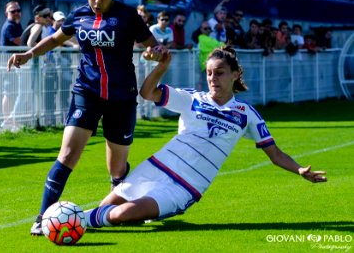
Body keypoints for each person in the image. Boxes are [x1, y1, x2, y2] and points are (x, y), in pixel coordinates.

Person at [84, 45, 327, 228]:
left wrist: (299, 170)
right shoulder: (192, 99)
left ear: (235, 74)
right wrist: (162, 66)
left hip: (184, 187)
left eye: (220, 73)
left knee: (119, 215)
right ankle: (66, 220)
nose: (213, 78)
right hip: (156, 168)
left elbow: (274, 154)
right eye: (209, 73)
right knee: (105, 209)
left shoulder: (247, 115)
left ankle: (71, 220)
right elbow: (147, 93)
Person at [5, 0, 166, 236]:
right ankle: (43, 216)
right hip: (86, 93)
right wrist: (29, 54)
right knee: (68, 154)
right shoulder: (78, 15)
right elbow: (56, 39)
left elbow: (153, 46)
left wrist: (155, 53)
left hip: (121, 97)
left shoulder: (128, 16)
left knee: (117, 169)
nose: (97, 0)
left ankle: (121, 202)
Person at [0, 1, 23, 131]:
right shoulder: (9, 26)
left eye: (18, 10)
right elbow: (19, 41)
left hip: (15, 63)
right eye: (12, 11)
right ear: (6, 13)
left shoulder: (16, 25)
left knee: (13, 92)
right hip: (8, 63)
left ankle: (12, 120)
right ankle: (7, 120)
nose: (16, 13)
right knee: (8, 92)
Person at [197, 20, 224, 91]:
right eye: (205, 28)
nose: (207, 30)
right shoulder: (201, 38)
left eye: (209, 28)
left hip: (212, 66)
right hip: (206, 67)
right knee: (207, 87)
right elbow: (218, 45)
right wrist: (221, 45)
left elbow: (218, 45)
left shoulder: (211, 38)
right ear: (201, 29)